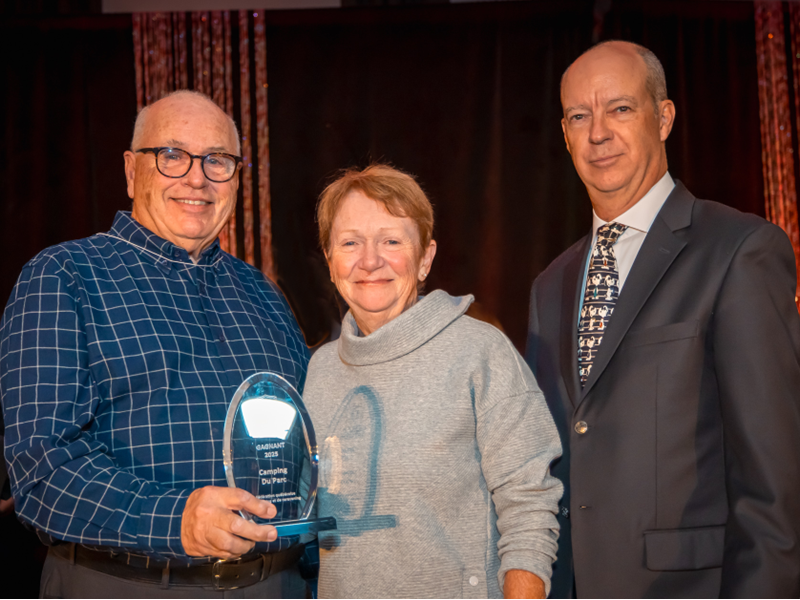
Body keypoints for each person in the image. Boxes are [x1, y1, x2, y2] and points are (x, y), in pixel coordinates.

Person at [0, 90, 311, 598]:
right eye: (172, 155)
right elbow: (43, 474)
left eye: (218, 160)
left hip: (275, 584)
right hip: (128, 584)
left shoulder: (265, 294)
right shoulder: (64, 276)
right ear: (130, 170)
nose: (197, 177)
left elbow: (307, 453)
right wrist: (178, 521)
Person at [526, 40, 800, 598]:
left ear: (665, 117)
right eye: (580, 116)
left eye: (620, 109)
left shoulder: (739, 250)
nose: (598, 132)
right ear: (565, 134)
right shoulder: (549, 285)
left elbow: (773, 483)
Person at [302, 164, 563, 599]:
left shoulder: (480, 352)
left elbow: (530, 507)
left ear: (425, 258)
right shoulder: (320, 371)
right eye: (350, 243)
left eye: (391, 241)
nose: (370, 260)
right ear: (330, 262)